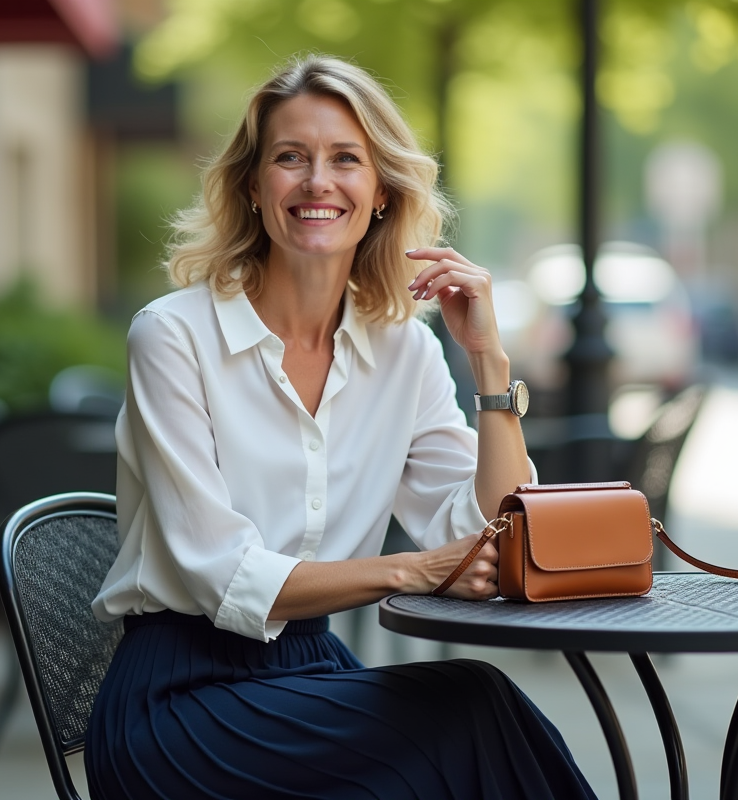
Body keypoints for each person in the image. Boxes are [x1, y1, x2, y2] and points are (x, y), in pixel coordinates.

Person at [87, 54, 597, 800]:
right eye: (290, 158)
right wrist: (412, 572)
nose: (316, 182)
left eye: (345, 160)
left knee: (482, 713)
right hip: (178, 702)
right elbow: (220, 572)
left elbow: (491, 530)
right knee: (464, 726)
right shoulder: (172, 337)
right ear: (254, 189)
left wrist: (489, 363)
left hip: (309, 673)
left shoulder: (406, 347)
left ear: (381, 193)